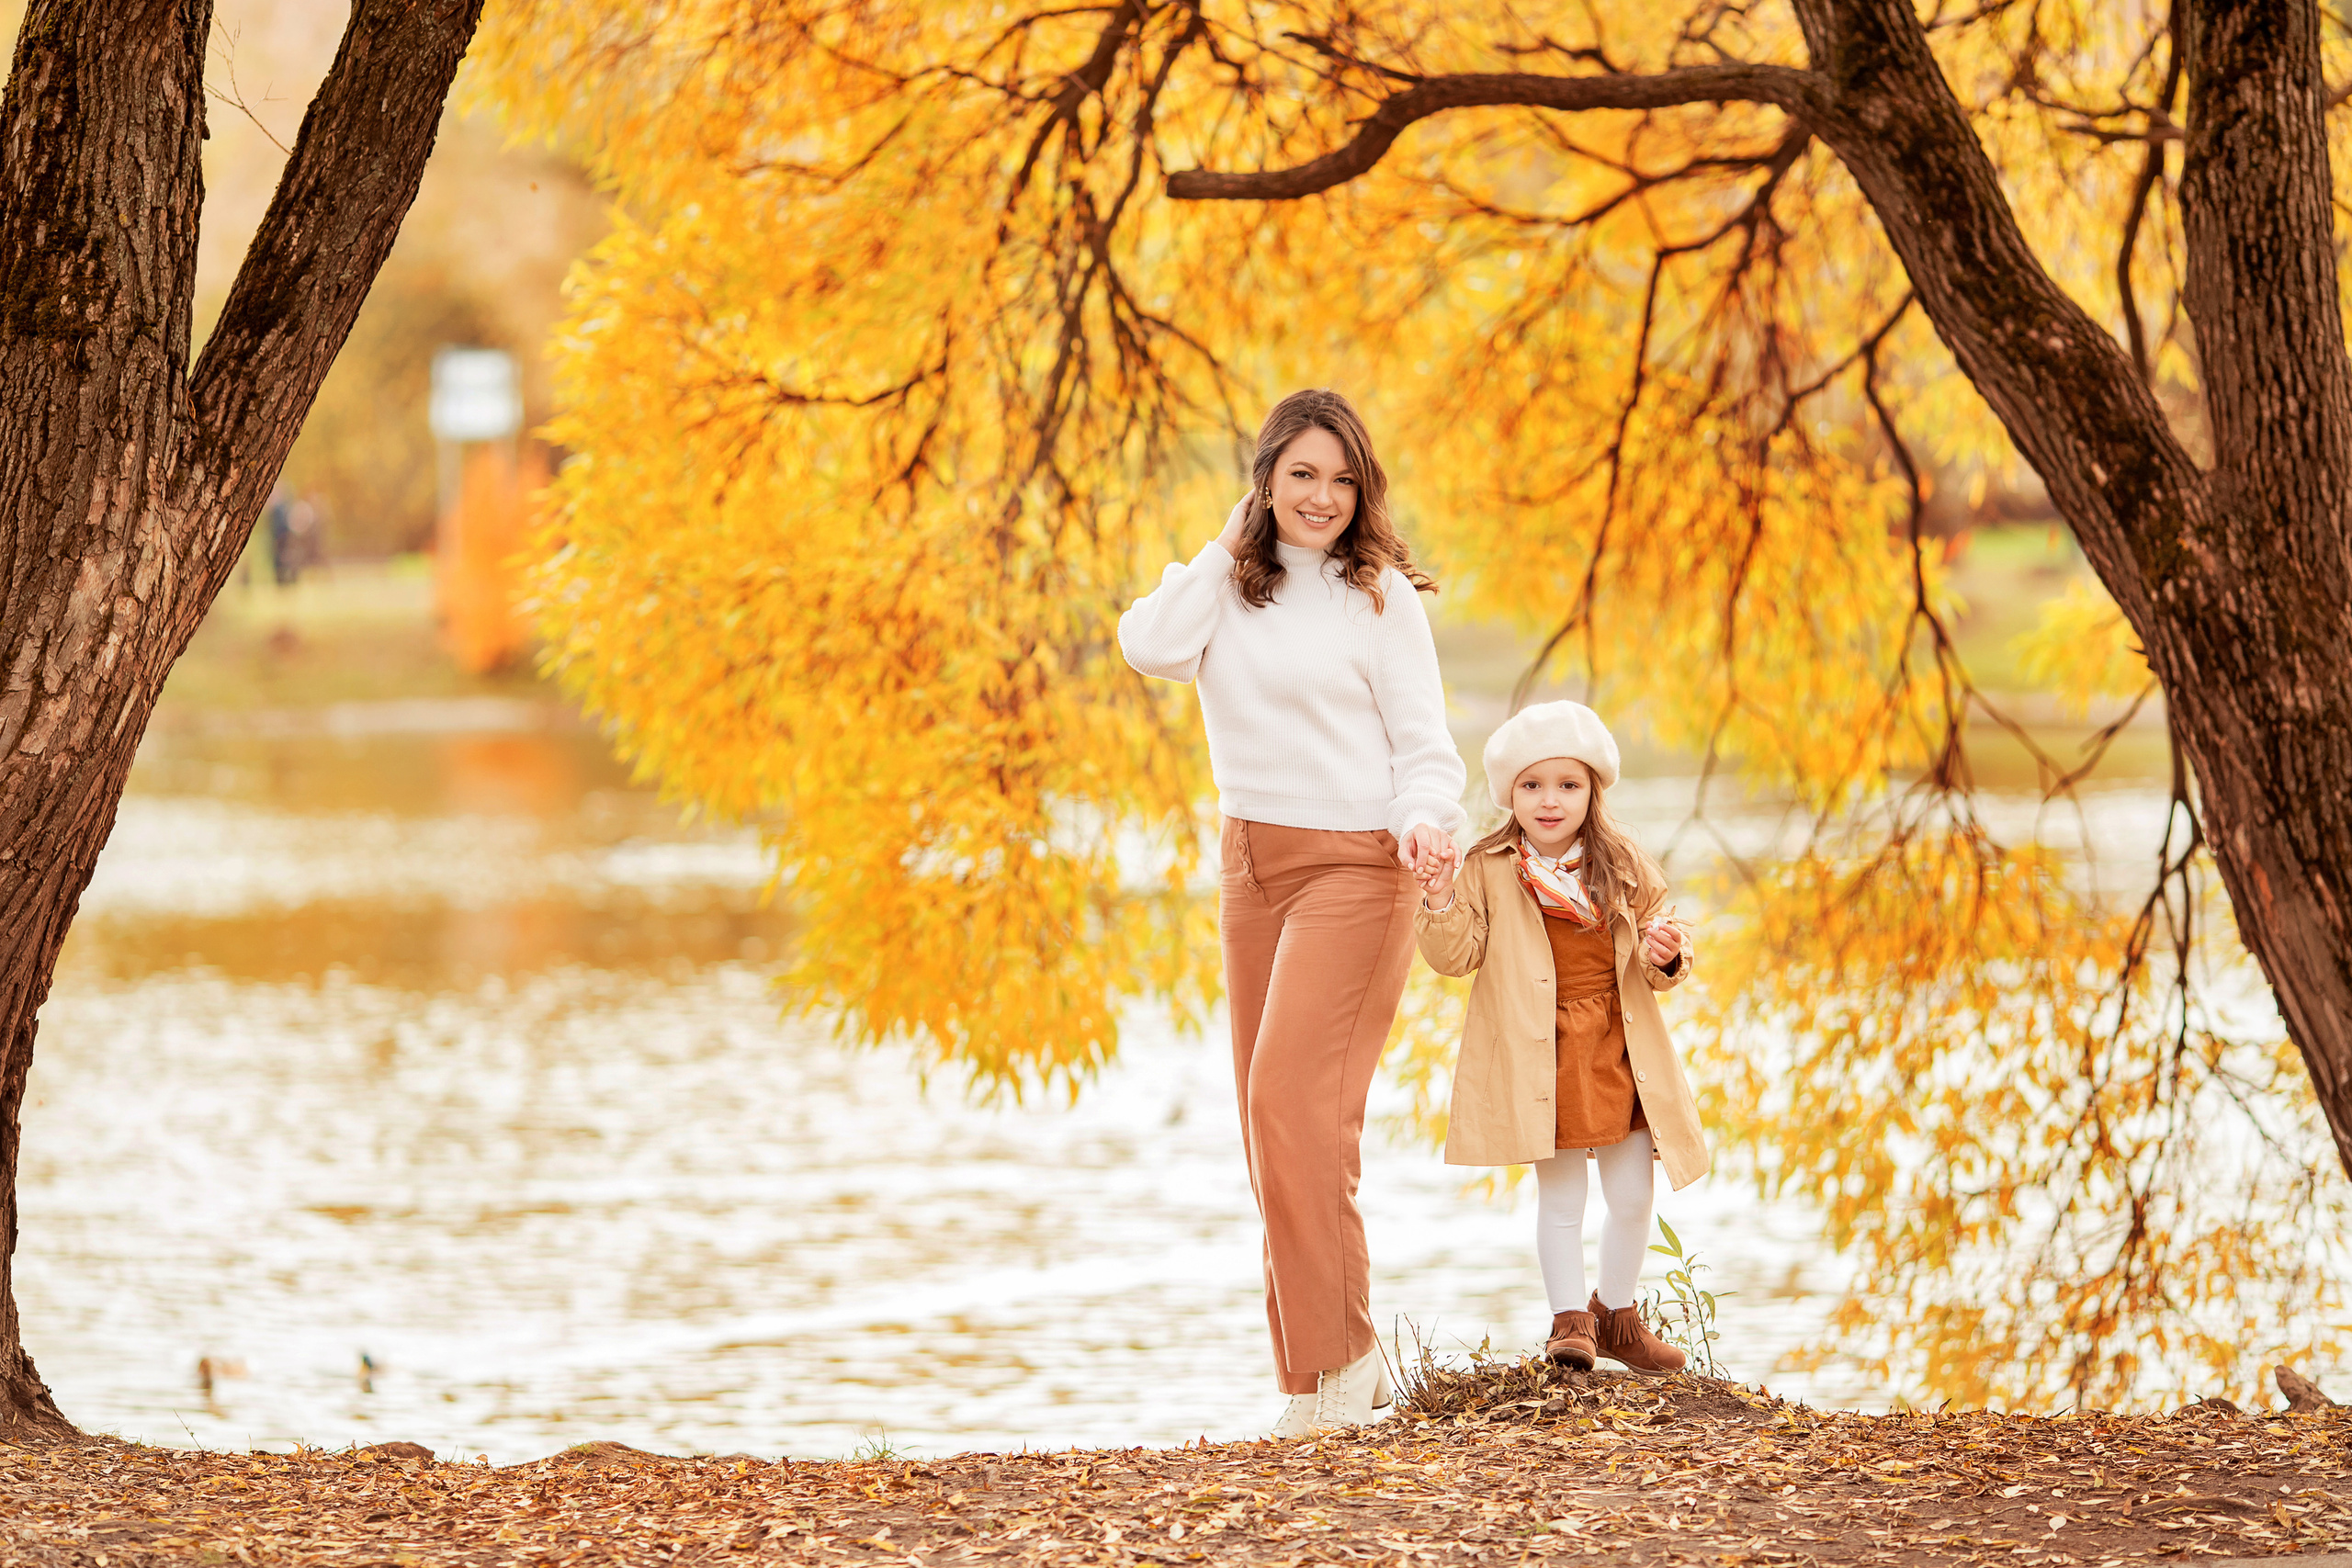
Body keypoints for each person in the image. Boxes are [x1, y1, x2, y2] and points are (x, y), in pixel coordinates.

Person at [1118, 389, 1465, 1438]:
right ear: (1264, 478)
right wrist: (1227, 544)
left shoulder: (1379, 598)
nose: (1321, 497)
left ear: (1364, 492)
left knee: (1294, 1107)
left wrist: (1425, 821)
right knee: (1269, 1128)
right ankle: (1316, 1384)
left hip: (1358, 868)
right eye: (1301, 474)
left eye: (1341, 478)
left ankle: (1346, 1364)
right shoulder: (1227, 586)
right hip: (1250, 867)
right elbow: (1148, 645)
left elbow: (1424, 747)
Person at [1413, 701, 1710, 1376]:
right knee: (1562, 1197)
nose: (1550, 801)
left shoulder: (1622, 861)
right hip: (1540, 1052)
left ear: (1592, 791)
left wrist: (1667, 953)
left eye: (1567, 785)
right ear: (1508, 793)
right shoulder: (1488, 867)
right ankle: (1570, 1321)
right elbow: (1456, 955)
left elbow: (1663, 950)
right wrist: (1436, 897)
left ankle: (1618, 1316)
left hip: (1616, 1047)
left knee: (1633, 1194)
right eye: (1532, 785)